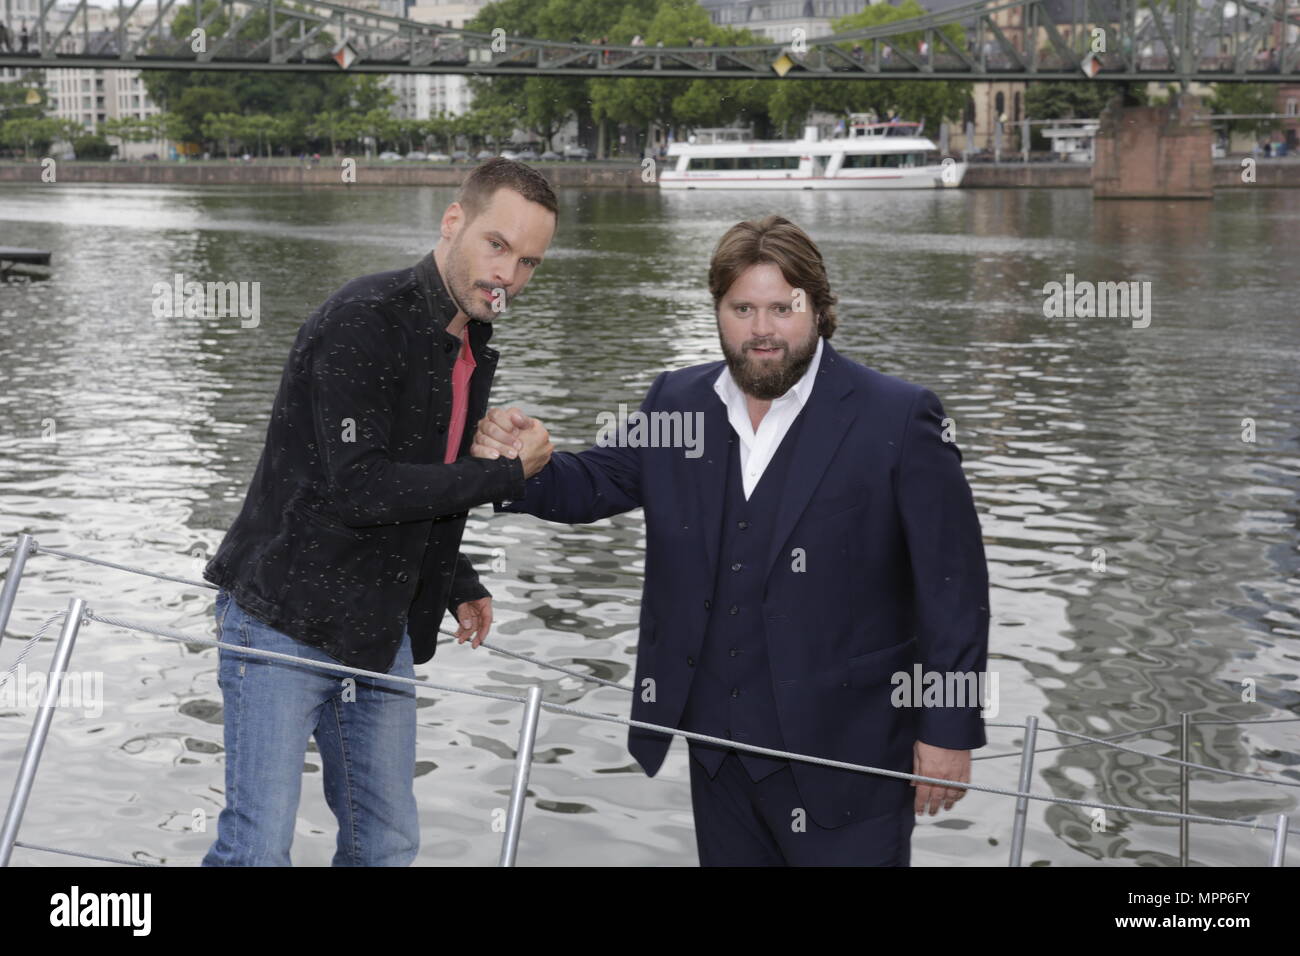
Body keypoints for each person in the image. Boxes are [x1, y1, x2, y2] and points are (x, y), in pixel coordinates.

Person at [472, 215, 990, 866]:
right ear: (719, 309)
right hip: (718, 754)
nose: (763, 328)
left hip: (851, 758)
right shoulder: (677, 402)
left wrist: (948, 729)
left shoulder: (900, 416)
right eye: (742, 307)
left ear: (821, 310)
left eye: (783, 308)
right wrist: (520, 465)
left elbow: (953, 585)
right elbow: (597, 481)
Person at [200, 159, 558, 866]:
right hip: (282, 622)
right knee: (258, 850)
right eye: (497, 245)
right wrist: (504, 475)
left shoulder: (468, 345)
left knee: (386, 845)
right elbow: (361, 489)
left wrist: (457, 580)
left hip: (377, 627)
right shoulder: (363, 320)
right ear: (453, 221)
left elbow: (416, 478)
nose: (509, 276)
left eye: (529, 262)